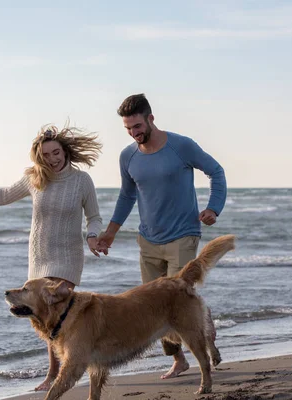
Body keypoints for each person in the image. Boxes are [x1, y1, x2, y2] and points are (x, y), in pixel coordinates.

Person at [0, 124, 103, 391]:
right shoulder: (34, 177)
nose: (53, 159)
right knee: (44, 319)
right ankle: (57, 372)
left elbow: (94, 217)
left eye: (56, 153)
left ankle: (67, 368)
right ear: (39, 157)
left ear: (65, 151)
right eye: (46, 155)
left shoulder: (81, 181)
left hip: (68, 256)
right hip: (40, 255)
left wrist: (92, 235)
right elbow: (4, 195)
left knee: (62, 315)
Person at [97, 93, 227, 380]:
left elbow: (216, 172)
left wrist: (213, 208)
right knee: (153, 306)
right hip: (148, 240)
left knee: (178, 299)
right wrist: (109, 233)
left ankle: (204, 333)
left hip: (183, 235)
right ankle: (179, 359)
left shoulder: (182, 146)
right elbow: (127, 196)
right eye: (128, 129)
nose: (134, 133)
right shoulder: (128, 156)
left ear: (151, 118)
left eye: (138, 126)